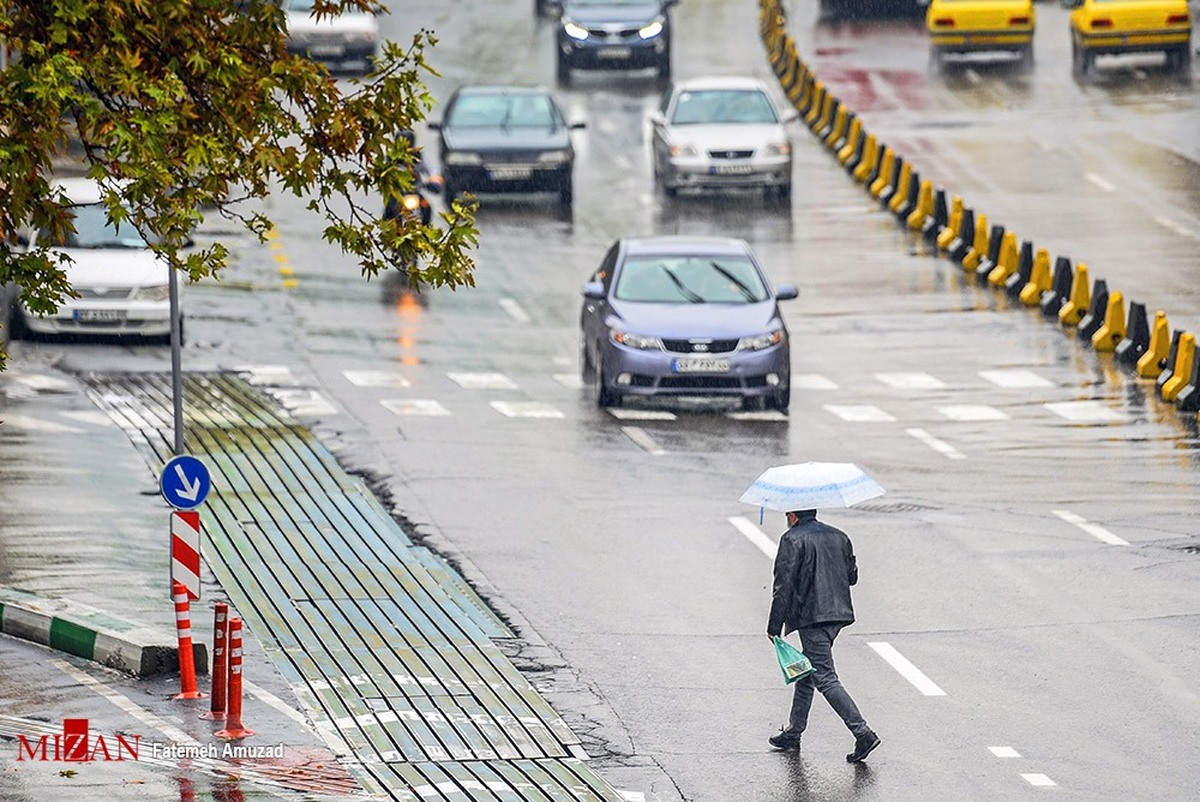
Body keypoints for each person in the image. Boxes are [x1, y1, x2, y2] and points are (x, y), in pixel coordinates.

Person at [766, 509, 880, 763]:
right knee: (808, 672)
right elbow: (852, 577)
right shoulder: (840, 536)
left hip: (812, 616)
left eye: (787, 514)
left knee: (825, 677)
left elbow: (783, 585)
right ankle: (794, 732)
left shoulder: (792, 539)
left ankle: (863, 733)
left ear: (793, 516)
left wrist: (774, 626)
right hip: (837, 615)